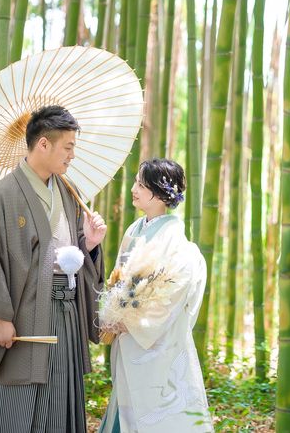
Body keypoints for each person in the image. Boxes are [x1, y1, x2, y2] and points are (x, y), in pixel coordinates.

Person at [0, 105, 107, 433]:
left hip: (66, 311)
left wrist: (89, 243)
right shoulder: (4, 195)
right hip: (23, 314)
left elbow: (71, 253)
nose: (72, 155)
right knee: (17, 401)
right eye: (68, 147)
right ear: (43, 144)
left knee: (60, 401)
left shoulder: (69, 192)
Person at [100, 158, 212, 433]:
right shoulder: (134, 229)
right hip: (127, 334)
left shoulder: (175, 241)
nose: (133, 189)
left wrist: (133, 322)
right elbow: (119, 276)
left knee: (156, 406)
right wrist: (114, 308)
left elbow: (171, 292)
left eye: (141, 185)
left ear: (160, 193)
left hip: (153, 339)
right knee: (126, 400)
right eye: (135, 183)